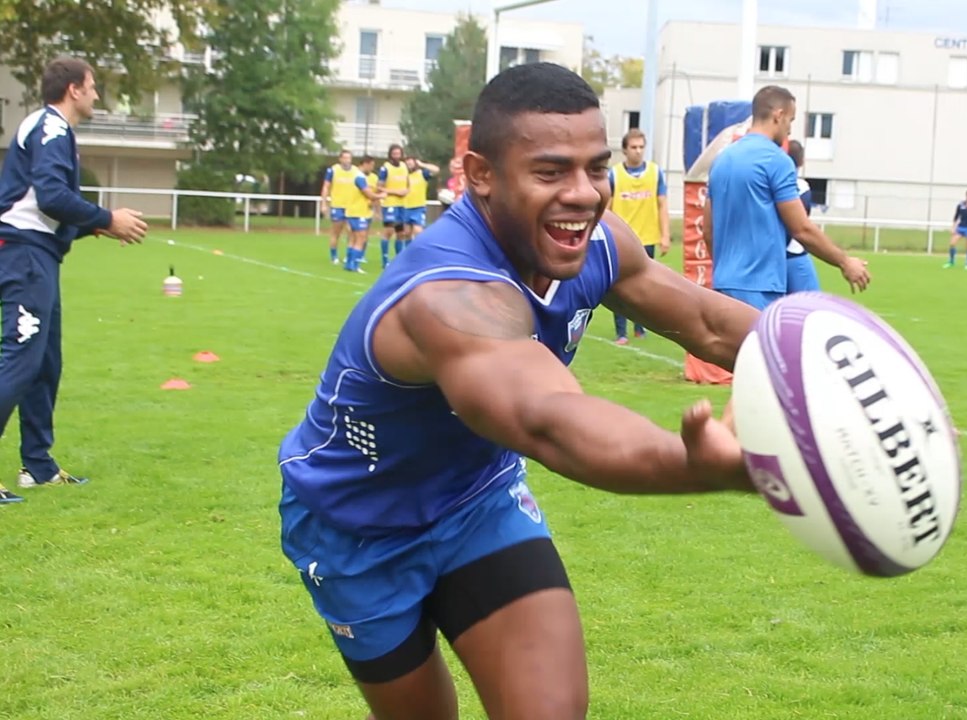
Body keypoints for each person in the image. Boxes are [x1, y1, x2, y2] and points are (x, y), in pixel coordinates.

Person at [276, 62, 758, 720]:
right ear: (481, 175)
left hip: (477, 502)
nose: (584, 194)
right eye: (551, 172)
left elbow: (709, 322)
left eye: (596, 167)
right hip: (355, 526)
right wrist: (694, 464)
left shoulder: (598, 243)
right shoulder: (449, 296)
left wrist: (827, 358)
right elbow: (549, 419)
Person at [0, 56, 148, 504]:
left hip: (39, 253)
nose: (97, 94)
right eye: (93, 86)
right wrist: (106, 217)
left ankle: (38, 466)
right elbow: (50, 196)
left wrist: (95, 227)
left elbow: (49, 207)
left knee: (45, 363)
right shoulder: (51, 127)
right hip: (23, 254)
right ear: (73, 89)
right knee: (21, 358)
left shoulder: (56, 130)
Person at [704, 85, 869, 311]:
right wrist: (844, 262)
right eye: (790, 120)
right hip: (759, 287)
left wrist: (728, 271)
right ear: (778, 115)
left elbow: (708, 231)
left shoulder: (721, 160)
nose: (790, 130)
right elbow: (801, 229)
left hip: (722, 286)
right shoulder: (776, 161)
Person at [607, 128, 670, 344]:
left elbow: (662, 205)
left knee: (644, 286)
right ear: (625, 150)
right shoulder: (614, 174)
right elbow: (606, 208)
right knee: (619, 287)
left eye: (641, 147)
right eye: (633, 147)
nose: (638, 151)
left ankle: (640, 328)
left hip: (647, 237)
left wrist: (665, 235)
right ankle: (621, 332)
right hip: (621, 240)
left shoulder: (655, 173)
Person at [783, 139, 820, 294]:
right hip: (794, 256)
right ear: (802, 161)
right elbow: (800, 223)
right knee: (810, 304)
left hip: (770, 258)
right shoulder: (800, 186)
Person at [341, 156, 383, 274]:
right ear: (365, 164)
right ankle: (355, 265)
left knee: (354, 238)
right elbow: (369, 195)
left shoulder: (355, 175)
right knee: (361, 238)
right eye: (371, 165)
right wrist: (381, 196)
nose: (372, 168)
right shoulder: (359, 177)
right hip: (359, 212)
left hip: (355, 211)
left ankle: (349, 264)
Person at [320, 150, 356, 265]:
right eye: (344, 158)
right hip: (337, 205)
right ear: (340, 159)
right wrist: (324, 203)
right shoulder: (333, 170)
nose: (347, 160)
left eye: (349, 158)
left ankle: (348, 256)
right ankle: (334, 256)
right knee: (336, 232)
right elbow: (326, 187)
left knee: (351, 231)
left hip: (351, 206)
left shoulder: (355, 171)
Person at [378, 144, 410, 268]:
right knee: (389, 231)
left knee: (401, 233)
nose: (397, 156)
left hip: (402, 204)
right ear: (390, 155)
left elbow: (407, 185)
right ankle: (385, 260)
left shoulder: (404, 167)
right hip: (389, 204)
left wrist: (406, 191)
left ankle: (398, 260)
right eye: (394, 154)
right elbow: (379, 187)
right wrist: (396, 192)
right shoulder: (385, 168)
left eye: (398, 153)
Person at [402, 155, 440, 240]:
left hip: (418, 207)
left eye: (411, 163)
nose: (409, 165)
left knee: (418, 231)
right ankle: (410, 248)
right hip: (406, 207)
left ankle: (420, 247)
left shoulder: (422, 174)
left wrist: (422, 164)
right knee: (407, 233)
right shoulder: (406, 176)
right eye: (407, 163)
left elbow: (436, 170)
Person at [943, 190, 967, 269]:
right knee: (952, 243)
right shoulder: (961, 204)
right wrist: (953, 227)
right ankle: (951, 261)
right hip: (961, 227)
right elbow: (956, 216)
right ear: (966, 195)